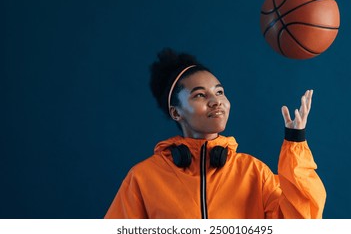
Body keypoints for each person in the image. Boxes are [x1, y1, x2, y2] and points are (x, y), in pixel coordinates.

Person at [104, 48, 326, 219]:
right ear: (175, 112)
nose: (216, 101)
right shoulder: (143, 178)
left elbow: (300, 220)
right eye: (200, 95)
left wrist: (295, 141)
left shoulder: (253, 172)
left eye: (219, 92)